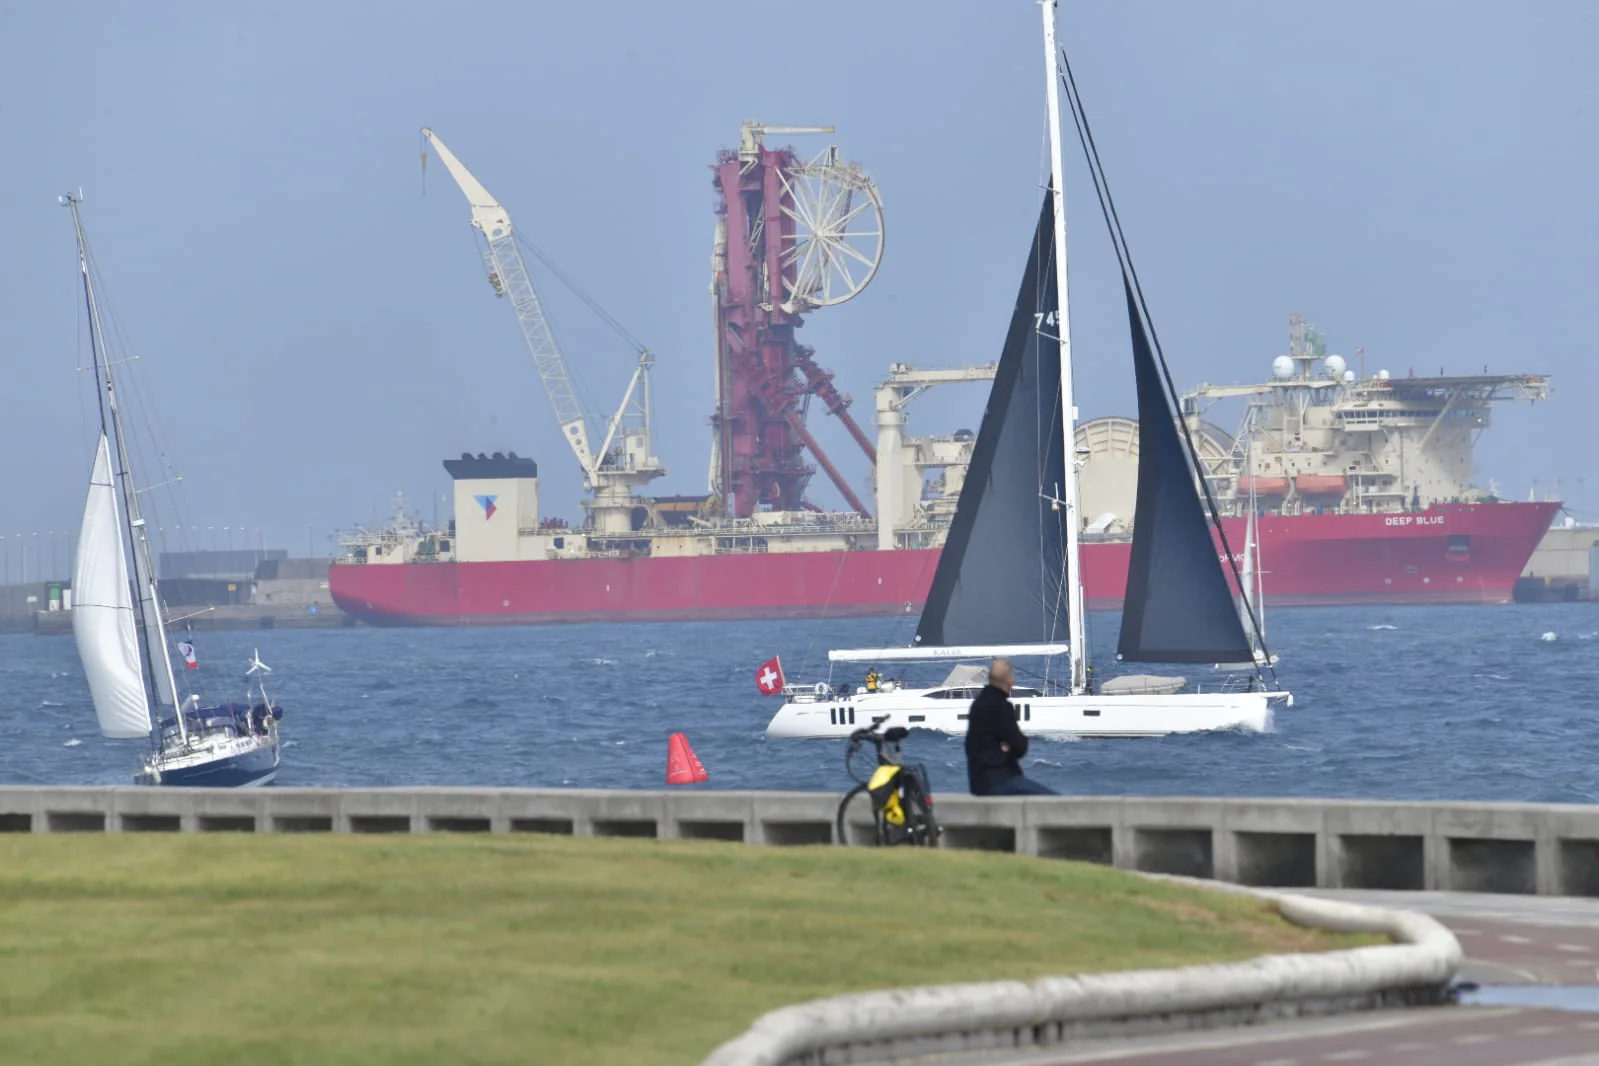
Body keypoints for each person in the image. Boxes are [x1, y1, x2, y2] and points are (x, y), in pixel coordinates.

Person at [964, 658, 1057, 796]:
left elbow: (971, 745)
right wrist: (1006, 749)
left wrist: (1003, 748)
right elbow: (1020, 747)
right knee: (1054, 800)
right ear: (1009, 682)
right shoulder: (1001, 706)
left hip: (978, 782)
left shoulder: (977, 704)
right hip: (1000, 780)